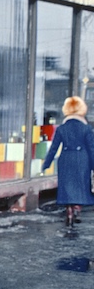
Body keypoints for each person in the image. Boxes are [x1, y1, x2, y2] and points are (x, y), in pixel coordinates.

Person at [40, 96, 94, 227]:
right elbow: (91, 148)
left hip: (66, 159)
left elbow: (54, 148)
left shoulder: (61, 128)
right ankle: (77, 209)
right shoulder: (86, 128)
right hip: (82, 159)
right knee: (81, 185)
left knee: (67, 186)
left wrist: (46, 164)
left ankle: (69, 212)